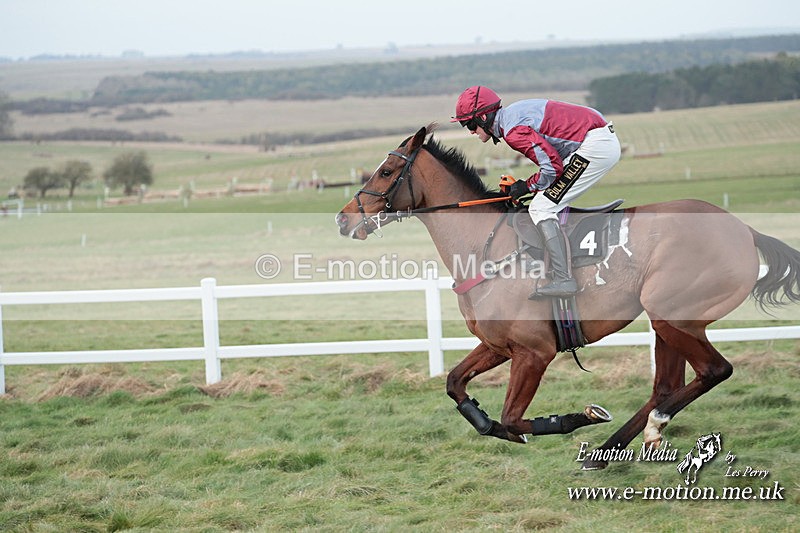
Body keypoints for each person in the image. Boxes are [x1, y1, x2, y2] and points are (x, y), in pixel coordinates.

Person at [452, 86, 621, 298]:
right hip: (594, 139)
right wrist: (530, 185)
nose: (470, 131)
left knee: (541, 208)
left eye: (469, 123)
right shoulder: (512, 116)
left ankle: (563, 279)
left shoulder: (513, 132)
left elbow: (552, 166)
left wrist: (526, 185)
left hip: (595, 146)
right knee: (544, 198)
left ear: (484, 117)